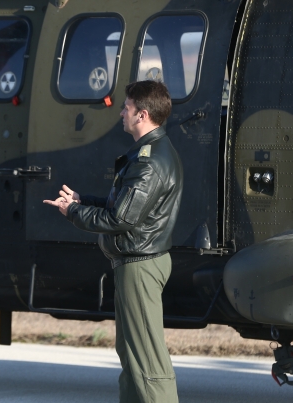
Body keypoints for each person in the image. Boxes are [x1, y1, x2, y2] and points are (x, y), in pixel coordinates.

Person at [44, 80, 183, 403]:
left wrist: (73, 212)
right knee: (131, 354)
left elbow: (120, 220)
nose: (121, 112)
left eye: (127, 107)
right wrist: (83, 200)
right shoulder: (149, 154)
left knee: (146, 358)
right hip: (135, 263)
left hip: (140, 265)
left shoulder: (149, 162)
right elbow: (124, 208)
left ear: (142, 115)